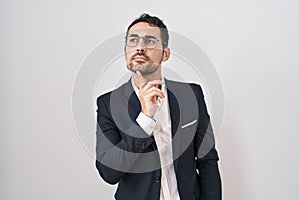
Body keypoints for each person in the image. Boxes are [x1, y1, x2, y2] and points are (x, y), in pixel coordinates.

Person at [95, 13, 221, 200]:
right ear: (125, 52)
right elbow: (109, 172)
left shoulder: (191, 96)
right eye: (133, 41)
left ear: (165, 54)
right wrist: (145, 119)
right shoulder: (108, 104)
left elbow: (207, 160)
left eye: (150, 41)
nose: (140, 47)